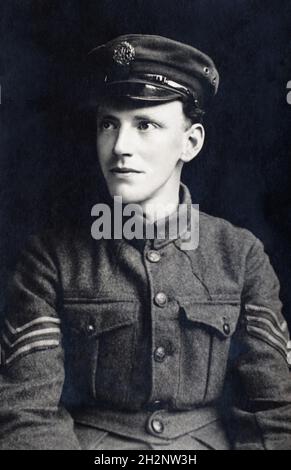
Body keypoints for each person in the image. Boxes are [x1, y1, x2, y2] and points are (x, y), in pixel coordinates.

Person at [0, 34, 291, 450]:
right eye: (108, 124)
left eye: (145, 125)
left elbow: (274, 414)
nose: (120, 147)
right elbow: (27, 414)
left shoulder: (240, 255)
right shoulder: (50, 260)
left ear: (190, 143)